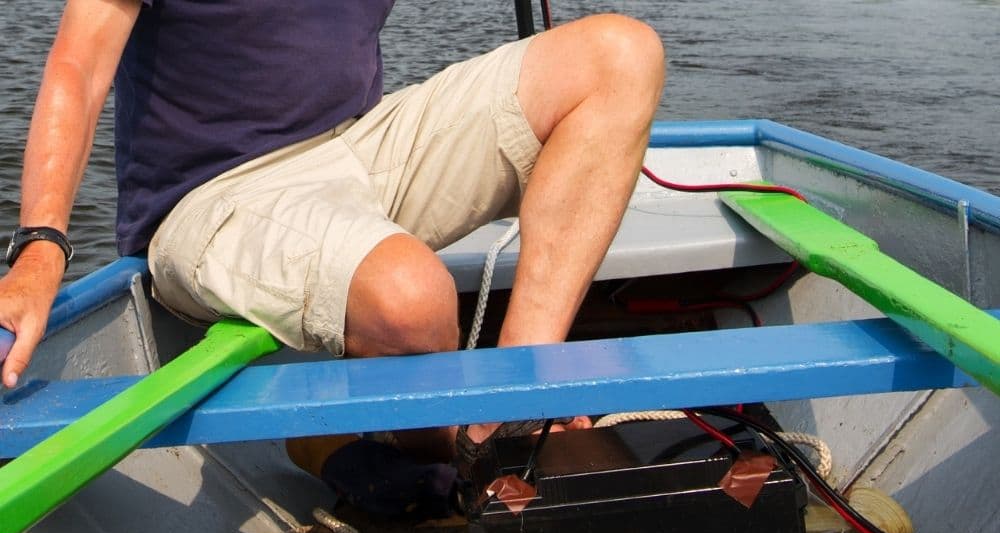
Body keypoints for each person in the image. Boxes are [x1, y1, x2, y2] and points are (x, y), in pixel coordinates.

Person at [0, 0, 664, 493]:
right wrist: (41, 247)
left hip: (360, 144)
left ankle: (522, 388)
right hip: (213, 196)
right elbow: (77, 67)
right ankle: (469, 442)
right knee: (412, 298)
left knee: (621, 56)